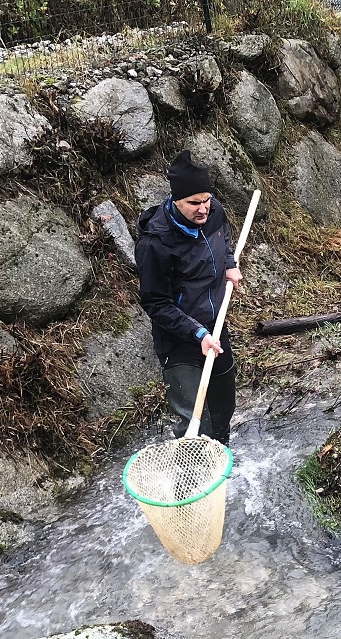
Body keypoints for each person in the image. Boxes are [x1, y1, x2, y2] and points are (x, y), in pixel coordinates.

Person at [135, 149, 244, 443]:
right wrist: (197, 334)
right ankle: (193, 481)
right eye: (194, 203)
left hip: (216, 327)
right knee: (196, 423)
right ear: (175, 200)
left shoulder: (214, 211)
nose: (203, 209)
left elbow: (224, 237)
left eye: (206, 200)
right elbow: (155, 303)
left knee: (224, 409)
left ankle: (220, 474)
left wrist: (230, 264)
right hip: (179, 340)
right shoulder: (155, 244)